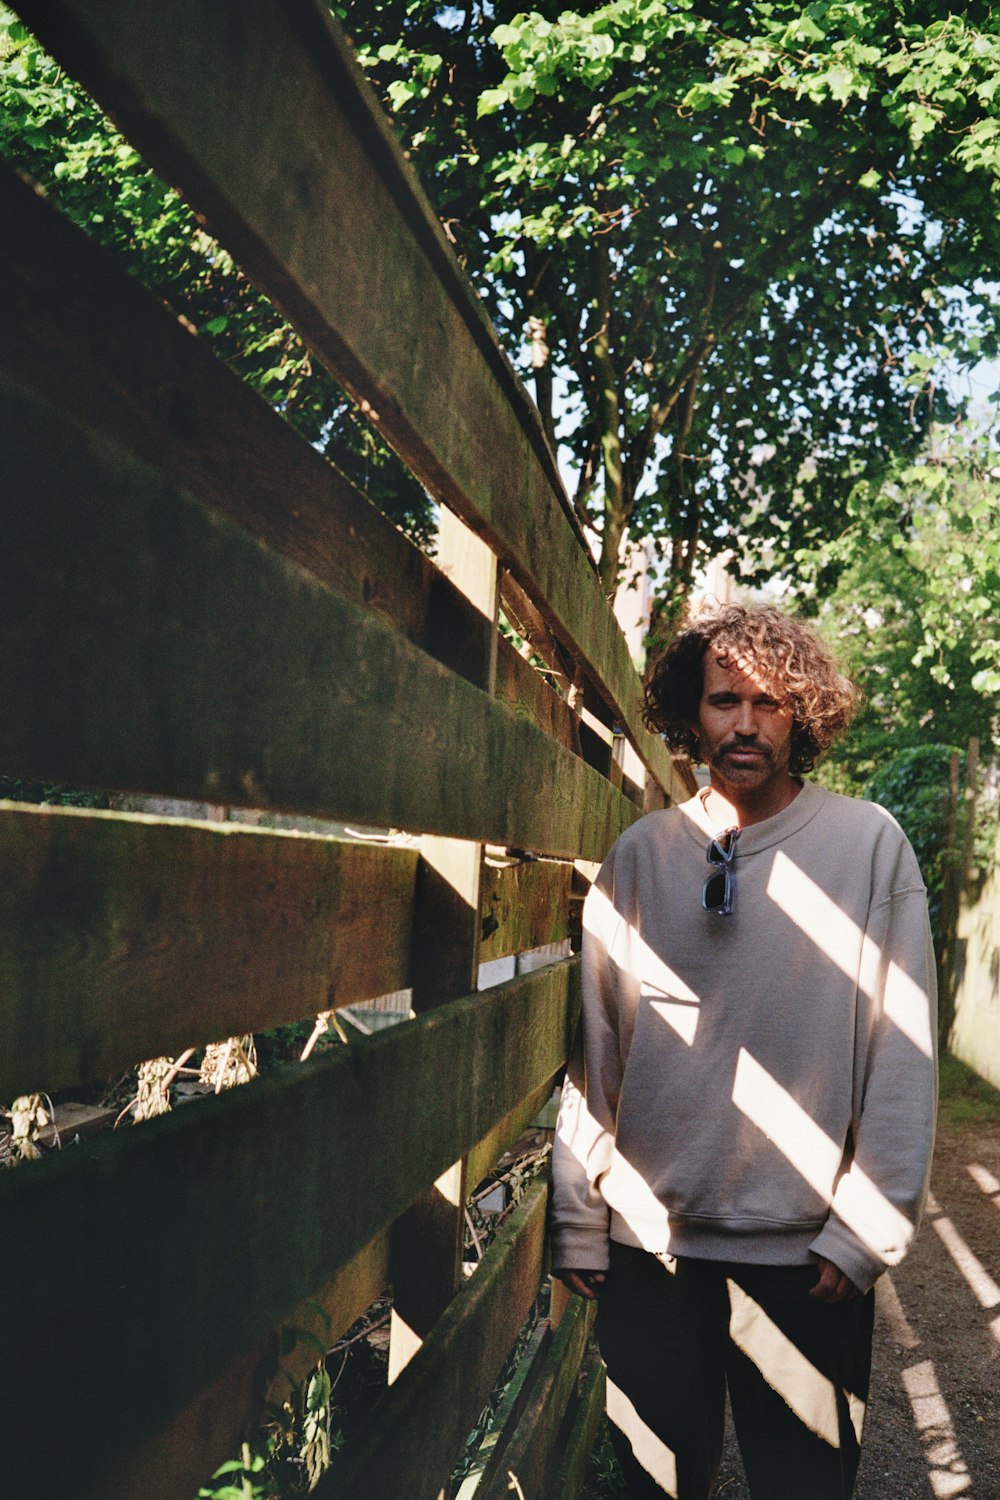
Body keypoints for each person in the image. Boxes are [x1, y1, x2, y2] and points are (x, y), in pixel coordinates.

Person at [551, 603, 937, 1500]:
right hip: (652, 1250)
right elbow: (598, 1051)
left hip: (808, 1265)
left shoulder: (868, 846)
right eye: (726, 700)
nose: (746, 723)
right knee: (651, 1486)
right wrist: (579, 1217)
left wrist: (866, 1231)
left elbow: (902, 1054)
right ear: (693, 712)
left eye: (770, 702)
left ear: (802, 714)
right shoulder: (641, 855)